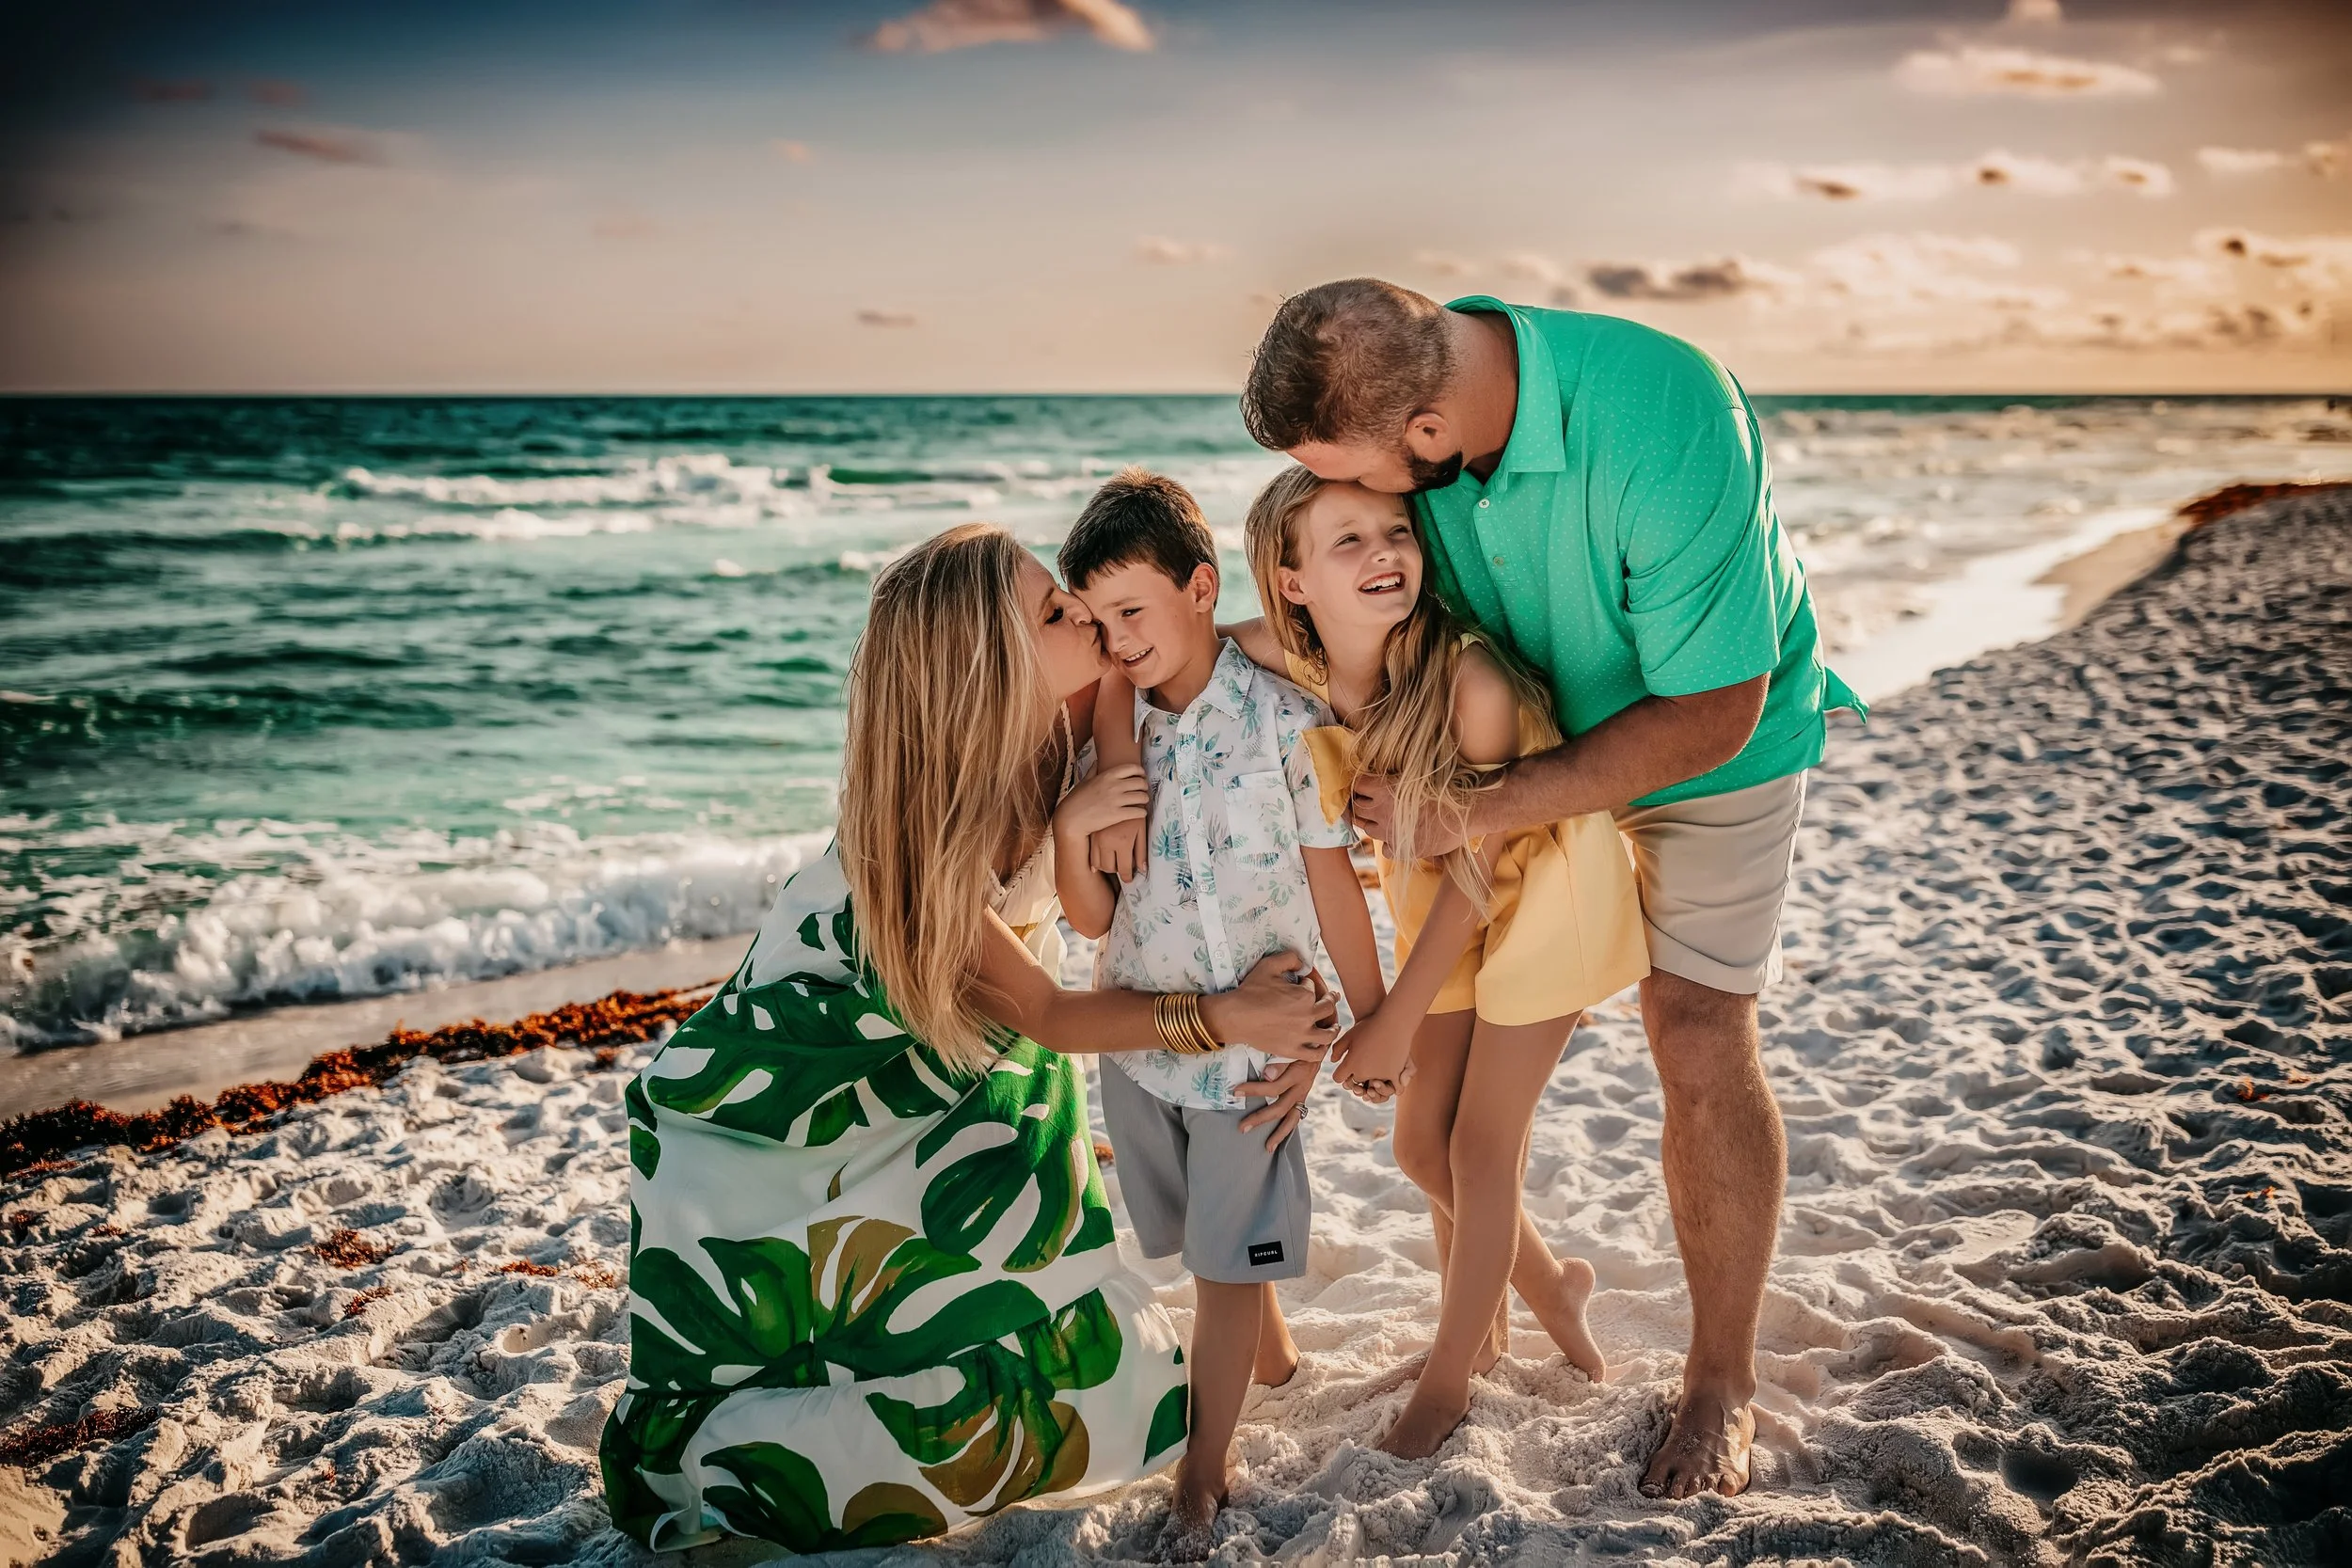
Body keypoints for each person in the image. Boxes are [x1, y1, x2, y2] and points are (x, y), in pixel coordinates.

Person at [1239, 279, 1866, 1499]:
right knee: (1451, 1096)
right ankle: (1474, 1328)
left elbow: (1712, 709)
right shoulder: (1428, 418)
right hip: (1498, 747)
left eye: (1364, 483)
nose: (1374, 521)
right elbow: (1313, 621)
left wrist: (1474, 808)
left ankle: (1720, 1376)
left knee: (1695, 1025)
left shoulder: (1663, 410)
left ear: (1426, 433)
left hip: (1705, 739)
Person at [599, 523, 1338, 1553]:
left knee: (1028, 1211)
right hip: (814, 1076)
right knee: (824, 1293)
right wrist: (1232, 1020)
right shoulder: (910, 842)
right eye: (1052, 611)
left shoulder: (1079, 704)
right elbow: (1049, 1013)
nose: (1083, 613)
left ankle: (1261, 1345)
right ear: (988, 666)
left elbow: (1234, 643)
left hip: (963, 1038)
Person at [1224, 464, 1648, 1459]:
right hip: (1442, 910)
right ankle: (1535, 1293)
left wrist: (1393, 1018)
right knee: (1420, 1146)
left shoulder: (1473, 684)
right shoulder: (1294, 661)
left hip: (1542, 898)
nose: (1385, 553)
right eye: (1348, 542)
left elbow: (1476, 870)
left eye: (1395, 532)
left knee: (1477, 1147)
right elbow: (1183, 651)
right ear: (1292, 585)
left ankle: (1453, 1377)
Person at [1052, 469, 1387, 1544]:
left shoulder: (1288, 721)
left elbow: (1335, 876)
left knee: (1217, 1263)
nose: (1116, 641)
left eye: (1133, 611)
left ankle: (1206, 1461)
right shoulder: (1115, 746)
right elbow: (1094, 918)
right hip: (1145, 1038)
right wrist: (1075, 826)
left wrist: (1368, 1010)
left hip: (1258, 1044)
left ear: (1203, 588)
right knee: (1193, 1233)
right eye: (1098, 622)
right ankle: (1276, 1354)